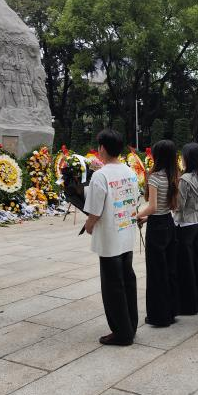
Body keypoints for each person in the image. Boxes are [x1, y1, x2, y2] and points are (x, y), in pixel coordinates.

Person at [83, 129, 139, 346]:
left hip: (109, 239)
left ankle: (122, 333)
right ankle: (130, 326)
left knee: (112, 287)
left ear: (103, 148)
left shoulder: (101, 175)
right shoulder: (130, 172)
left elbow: (95, 211)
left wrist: (89, 226)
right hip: (126, 235)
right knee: (127, 282)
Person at [135, 139, 179, 328]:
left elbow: (152, 207)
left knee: (156, 272)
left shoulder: (154, 177)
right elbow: (164, 207)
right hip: (168, 223)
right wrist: (146, 218)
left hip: (157, 228)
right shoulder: (173, 175)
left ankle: (158, 316)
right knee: (169, 270)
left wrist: (137, 215)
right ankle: (171, 311)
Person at [174, 143, 198, 315]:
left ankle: (188, 304)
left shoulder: (184, 180)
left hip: (184, 224)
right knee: (197, 263)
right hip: (196, 223)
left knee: (185, 266)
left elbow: (179, 205)